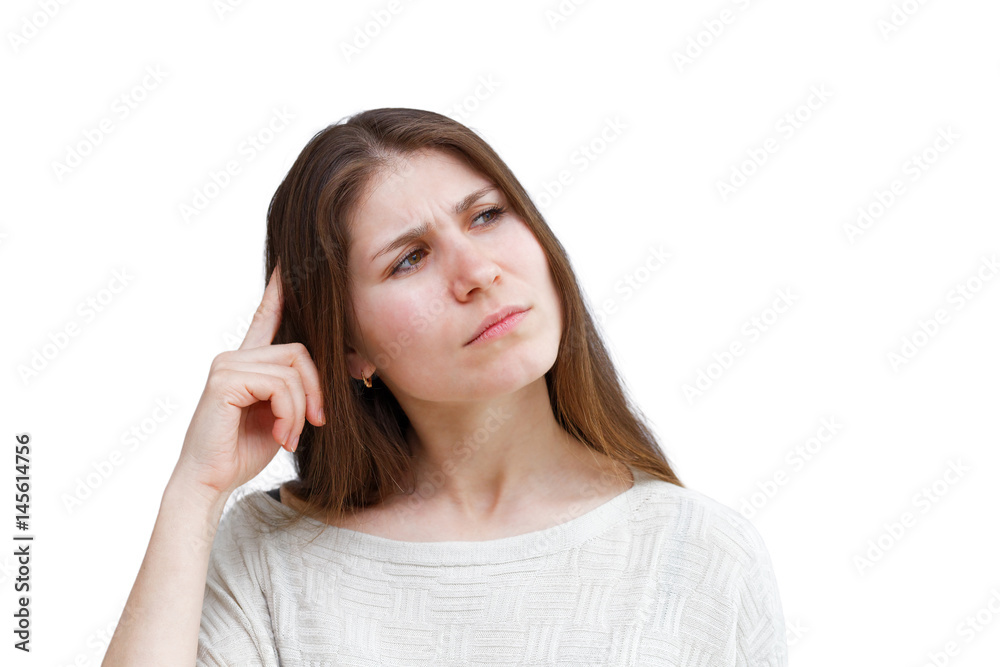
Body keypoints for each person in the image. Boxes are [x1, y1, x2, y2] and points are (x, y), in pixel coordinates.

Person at [103, 108, 788, 666]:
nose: (477, 270)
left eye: (487, 215)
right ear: (348, 347)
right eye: (409, 258)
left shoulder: (697, 554)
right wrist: (195, 489)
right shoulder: (266, 560)